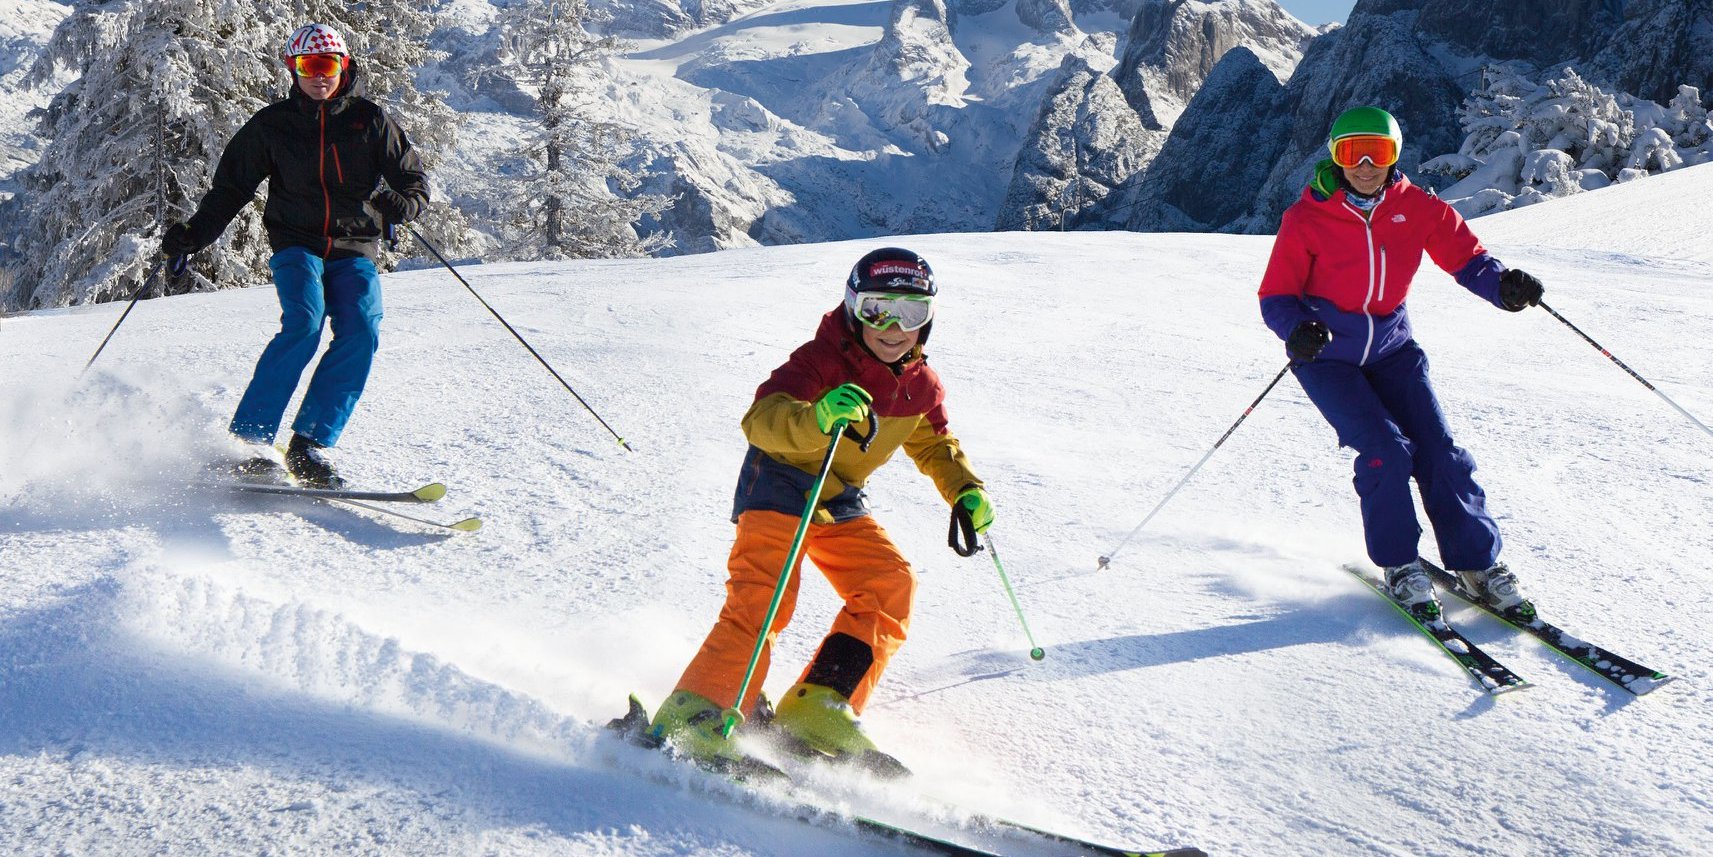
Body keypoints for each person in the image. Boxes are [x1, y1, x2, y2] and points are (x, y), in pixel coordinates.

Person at [648, 247, 993, 770]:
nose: (895, 327)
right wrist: (816, 418)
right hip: (780, 482)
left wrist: (965, 489)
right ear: (855, 308)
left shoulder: (920, 385)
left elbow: (933, 443)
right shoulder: (821, 360)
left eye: (913, 313)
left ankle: (822, 702)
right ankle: (697, 710)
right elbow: (761, 419)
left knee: (888, 582)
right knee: (765, 600)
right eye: (879, 309)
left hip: (837, 497)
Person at [1257, 106, 1546, 623]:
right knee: (1387, 453)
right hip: (1328, 360)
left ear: (1395, 156)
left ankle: (1477, 564)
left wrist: (1503, 286)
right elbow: (1277, 295)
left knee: (1441, 451)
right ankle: (1399, 564)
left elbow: (1469, 259)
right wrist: (1296, 330)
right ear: (1335, 157)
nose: (1365, 164)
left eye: (1379, 152)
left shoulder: (1419, 209)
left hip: (1394, 351)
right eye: (1352, 152)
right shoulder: (1307, 217)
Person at [161, 23, 428, 488]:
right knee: (305, 322)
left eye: (327, 66)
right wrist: (194, 234)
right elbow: (231, 189)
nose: (319, 76)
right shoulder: (272, 125)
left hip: (353, 246)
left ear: (344, 67)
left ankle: (308, 446)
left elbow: (413, 182)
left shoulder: (370, 121)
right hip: (296, 243)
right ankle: (251, 441)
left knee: (362, 330)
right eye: (309, 66)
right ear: (294, 69)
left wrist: (404, 205)